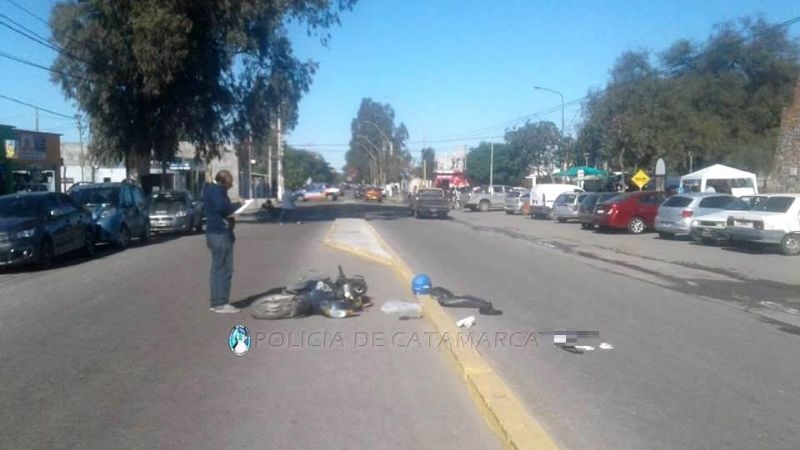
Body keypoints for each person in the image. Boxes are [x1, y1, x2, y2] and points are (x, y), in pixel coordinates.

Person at [203, 170, 239, 313]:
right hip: (220, 233)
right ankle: (221, 303)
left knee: (217, 268)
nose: (231, 185)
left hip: (213, 233)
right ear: (225, 181)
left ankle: (216, 302)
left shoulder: (210, 190)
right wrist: (236, 206)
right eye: (230, 182)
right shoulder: (217, 191)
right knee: (224, 268)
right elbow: (221, 207)